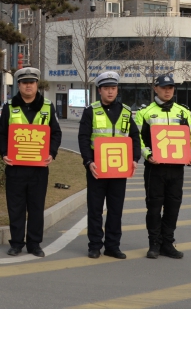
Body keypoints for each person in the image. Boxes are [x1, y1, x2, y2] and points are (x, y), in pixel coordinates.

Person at [0, 67, 62, 257]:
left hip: (38, 168)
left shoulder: (48, 106)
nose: (28, 86)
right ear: (19, 85)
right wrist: (4, 153)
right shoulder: (9, 107)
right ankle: (16, 243)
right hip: (15, 167)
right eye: (24, 83)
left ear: (37, 85)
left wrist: (52, 153)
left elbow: (56, 133)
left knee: (36, 207)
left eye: (31, 82)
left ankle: (34, 244)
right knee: (15, 208)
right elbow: (1, 134)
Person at [77, 71, 141, 260]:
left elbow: (135, 137)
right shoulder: (90, 111)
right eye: (106, 88)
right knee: (95, 209)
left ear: (117, 90)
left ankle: (113, 246)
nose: (110, 92)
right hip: (97, 169)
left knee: (115, 210)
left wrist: (135, 159)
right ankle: (95, 246)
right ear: (100, 91)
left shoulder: (126, 112)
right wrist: (88, 161)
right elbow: (83, 138)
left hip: (119, 169)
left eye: (113, 88)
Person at [135, 74, 191, 259]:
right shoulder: (145, 112)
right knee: (154, 207)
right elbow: (137, 138)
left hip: (177, 168)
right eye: (163, 87)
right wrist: (147, 154)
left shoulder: (183, 112)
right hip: (155, 168)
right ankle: (154, 243)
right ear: (156, 89)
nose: (167, 91)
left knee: (173, 207)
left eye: (170, 87)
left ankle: (167, 243)